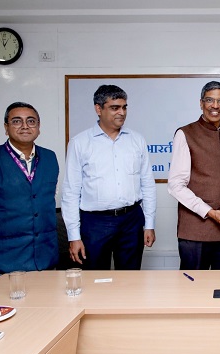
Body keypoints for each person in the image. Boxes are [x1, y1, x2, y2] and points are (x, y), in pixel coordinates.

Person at [61, 85, 156, 270]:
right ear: (98, 109)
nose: (122, 112)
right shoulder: (80, 143)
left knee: (130, 279)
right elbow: (71, 192)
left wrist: (149, 224)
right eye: (115, 108)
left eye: (124, 107)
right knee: (95, 279)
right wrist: (74, 236)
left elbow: (147, 184)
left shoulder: (136, 140)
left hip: (132, 220)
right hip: (95, 223)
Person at [0, 102, 59, 280]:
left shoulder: (50, 157)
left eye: (31, 121)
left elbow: (48, 199)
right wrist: (0, 229)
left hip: (46, 260)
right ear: (6, 128)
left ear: (38, 127)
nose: (25, 126)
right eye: (16, 121)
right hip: (4, 264)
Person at [167, 81, 220, 270]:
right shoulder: (185, 134)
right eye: (209, 100)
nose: (215, 106)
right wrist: (209, 212)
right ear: (201, 103)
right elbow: (176, 185)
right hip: (195, 233)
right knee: (192, 287)